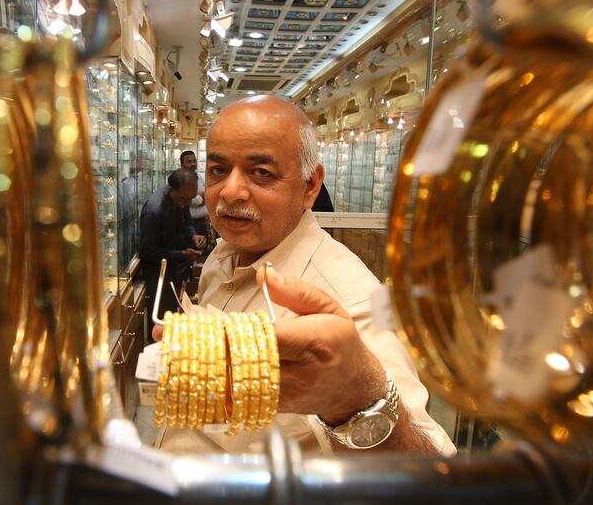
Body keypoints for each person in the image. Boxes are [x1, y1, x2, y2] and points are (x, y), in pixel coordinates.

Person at [154, 96, 455, 455]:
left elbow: (432, 475)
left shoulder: (349, 299)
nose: (230, 191)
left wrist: (358, 397)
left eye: (261, 173)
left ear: (310, 186)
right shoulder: (224, 254)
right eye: (219, 170)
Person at [140, 168, 206, 331]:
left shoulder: (182, 198)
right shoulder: (154, 211)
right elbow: (147, 251)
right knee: (162, 320)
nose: (187, 204)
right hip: (158, 270)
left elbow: (187, 221)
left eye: (191, 199)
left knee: (175, 312)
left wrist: (193, 236)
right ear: (171, 189)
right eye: (184, 199)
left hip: (176, 264)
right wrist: (180, 254)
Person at [180, 150, 208, 237]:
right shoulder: (180, 179)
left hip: (202, 222)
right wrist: (201, 196)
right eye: (189, 162)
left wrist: (200, 195)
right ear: (182, 163)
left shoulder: (199, 177)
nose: (193, 164)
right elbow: (192, 202)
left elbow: (208, 197)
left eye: (194, 161)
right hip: (189, 224)